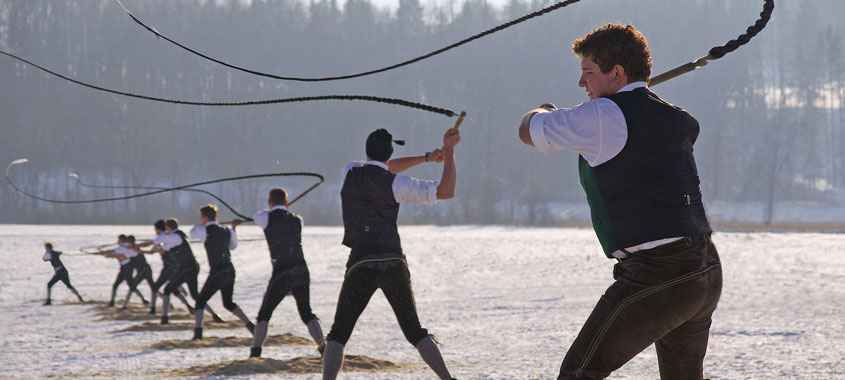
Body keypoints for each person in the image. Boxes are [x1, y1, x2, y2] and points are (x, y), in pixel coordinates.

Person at [517, 24, 723, 380]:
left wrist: (543, 110)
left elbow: (526, 131)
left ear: (616, 73)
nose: (583, 85)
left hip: (660, 274)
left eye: (588, 74)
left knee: (580, 372)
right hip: (703, 269)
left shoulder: (602, 116)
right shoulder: (672, 115)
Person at [322, 127, 459, 380]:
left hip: (361, 263)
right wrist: (448, 151)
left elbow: (380, 167)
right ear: (390, 152)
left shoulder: (349, 171)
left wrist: (428, 157)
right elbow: (446, 191)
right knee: (415, 332)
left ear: (366, 150)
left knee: (338, 335)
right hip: (393, 263)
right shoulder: (398, 183)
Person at [249, 188, 323, 358]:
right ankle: (324, 348)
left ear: (269, 202)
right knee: (306, 312)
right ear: (287, 203)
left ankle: (255, 353)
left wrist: (271, 210)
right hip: (302, 269)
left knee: (264, 313)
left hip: (282, 270)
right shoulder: (298, 219)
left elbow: (256, 215)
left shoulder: (264, 217)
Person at [189, 204, 254, 340]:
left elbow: (192, 233)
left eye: (201, 217)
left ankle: (198, 333)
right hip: (229, 269)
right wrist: (234, 229)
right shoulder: (227, 231)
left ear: (205, 217)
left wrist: (200, 225)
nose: (200, 219)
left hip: (217, 270)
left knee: (200, 301)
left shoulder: (204, 230)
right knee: (228, 303)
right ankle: (249, 324)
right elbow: (233, 247)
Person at [154, 218, 222, 325]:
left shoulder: (175, 237)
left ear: (168, 227)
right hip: (192, 267)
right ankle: (215, 315)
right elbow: (161, 248)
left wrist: (138, 247)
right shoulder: (176, 236)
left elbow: (160, 247)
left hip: (187, 268)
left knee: (168, 289)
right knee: (195, 295)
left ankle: (164, 318)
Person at [135, 220, 193, 315]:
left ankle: (153, 310)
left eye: (155, 229)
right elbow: (152, 250)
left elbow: (156, 250)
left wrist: (136, 247)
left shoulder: (165, 237)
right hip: (170, 266)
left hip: (170, 266)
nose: (155, 231)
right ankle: (188, 306)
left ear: (159, 229)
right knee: (172, 289)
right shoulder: (165, 237)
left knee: (156, 287)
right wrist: (140, 251)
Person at [101, 235, 148, 307]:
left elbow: (118, 254)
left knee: (116, 285)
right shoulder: (125, 247)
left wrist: (107, 254)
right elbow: (115, 253)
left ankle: (112, 302)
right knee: (132, 286)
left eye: (119, 240)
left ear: (121, 240)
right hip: (129, 269)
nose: (117, 241)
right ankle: (143, 300)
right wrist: (108, 254)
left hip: (125, 269)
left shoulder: (122, 248)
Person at [120, 235, 156, 309]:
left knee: (132, 287)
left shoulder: (134, 249)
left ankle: (125, 306)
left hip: (143, 270)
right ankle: (125, 305)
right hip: (147, 269)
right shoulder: (134, 248)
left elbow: (125, 255)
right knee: (153, 287)